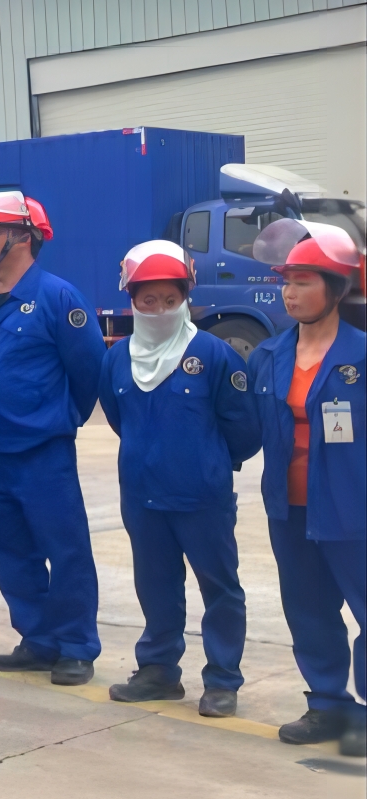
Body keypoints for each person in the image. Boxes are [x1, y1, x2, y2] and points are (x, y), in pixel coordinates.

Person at [96, 242, 259, 716]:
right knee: (155, 585)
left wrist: (207, 463)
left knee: (219, 587)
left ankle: (222, 680)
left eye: (170, 300)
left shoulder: (213, 355)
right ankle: (159, 671)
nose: (160, 310)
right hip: (142, 497)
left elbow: (244, 429)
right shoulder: (118, 359)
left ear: (186, 298)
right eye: (149, 300)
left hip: (202, 498)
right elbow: (118, 416)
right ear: (132, 300)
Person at [0, 191, 106, 686]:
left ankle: (76, 646)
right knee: (7, 548)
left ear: (23, 237)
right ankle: (39, 640)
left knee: (65, 550)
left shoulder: (58, 298)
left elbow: (89, 372)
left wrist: (58, 419)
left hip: (42, 452)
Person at [245, 219, 366, 757]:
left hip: (354, 507)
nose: (289, 293)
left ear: (336, 289)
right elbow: (244, 427)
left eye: (303, 281)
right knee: (308, 609)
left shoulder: (361, 356)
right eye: (286, 282)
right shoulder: (268, 356)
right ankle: (328, 705)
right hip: (290, 508)